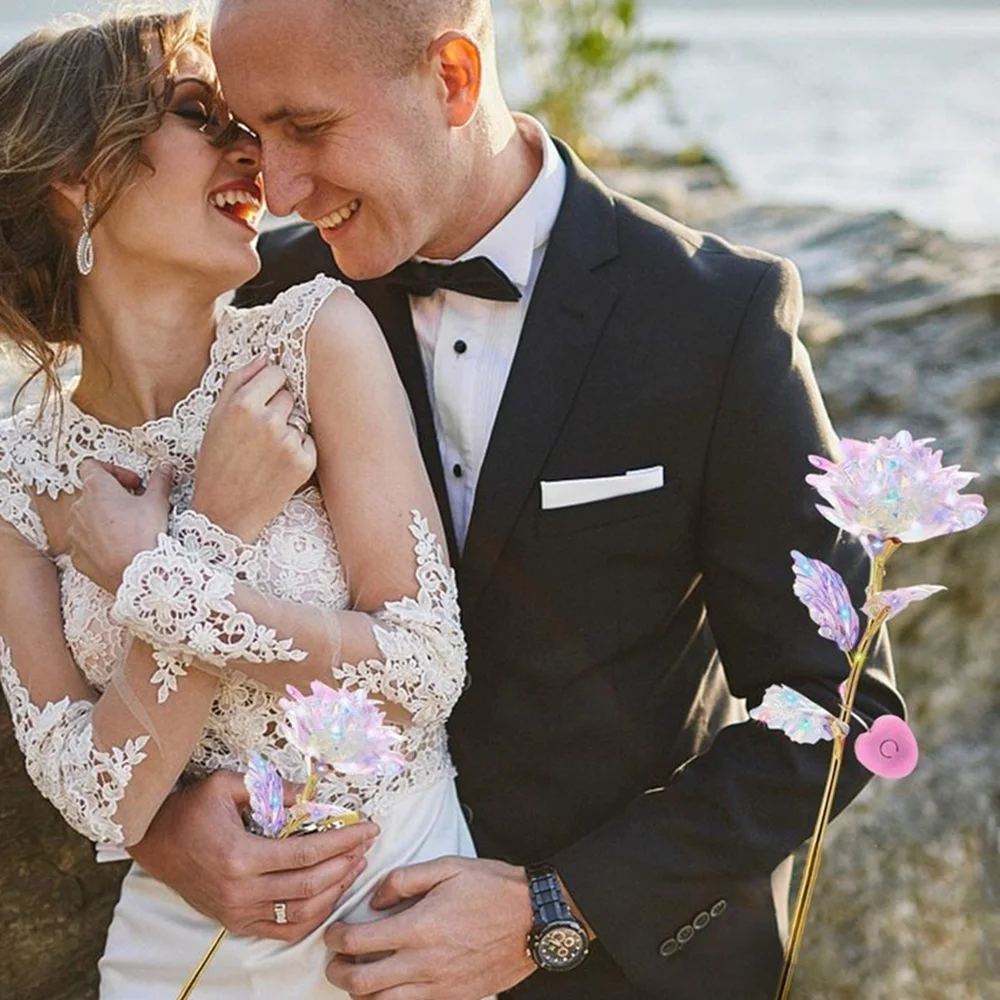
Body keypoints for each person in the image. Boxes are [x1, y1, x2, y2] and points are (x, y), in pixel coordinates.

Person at [0, 10, 484, 999]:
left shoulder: (315, 343)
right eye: (196, 114)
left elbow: (425, 668)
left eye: (249, 127)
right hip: (175, 947)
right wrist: (212, 531)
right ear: (77, 186)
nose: (251, 153)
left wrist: (157, 577)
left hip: (391, 923)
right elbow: (104, 796)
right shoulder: (17, 473)